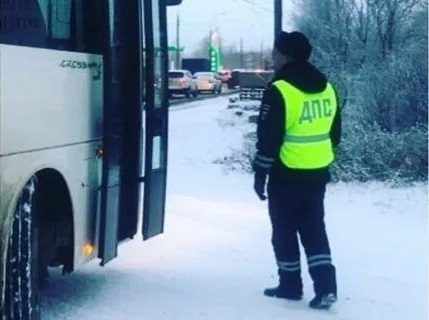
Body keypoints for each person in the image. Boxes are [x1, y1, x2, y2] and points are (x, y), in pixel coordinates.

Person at [252, 31, 341, 310]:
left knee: (284, 230)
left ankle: (290, 285)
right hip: (317, 172)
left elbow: (268, 138)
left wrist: (260, 174)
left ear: (285, 56)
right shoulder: (327, 87)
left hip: (286, 173)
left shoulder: (279, 89)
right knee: (314, 227)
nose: (273, 58)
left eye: (275, 53)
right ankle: (326, 288)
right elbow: (335, 133)